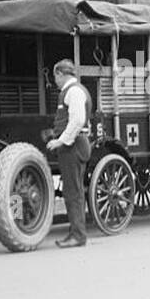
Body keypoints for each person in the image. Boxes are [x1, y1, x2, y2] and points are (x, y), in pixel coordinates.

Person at [46, 59, 92, 248]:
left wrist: (61, 140)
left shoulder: (73, 91)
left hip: (73, 147)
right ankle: (76, 233)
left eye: (55, 76)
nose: (55, 81)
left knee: (73, 192)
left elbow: (77, 120)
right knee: (74, 191)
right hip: (75, 145)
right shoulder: (76, 90)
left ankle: (78, 236)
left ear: (60, 74)